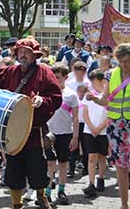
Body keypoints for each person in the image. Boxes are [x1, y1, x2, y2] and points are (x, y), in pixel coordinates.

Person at [0, 38, 62, 209]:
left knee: (37, 168)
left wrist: (42, 100)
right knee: (14, 169)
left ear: (34, 55)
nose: (23, 55)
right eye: (20, 52)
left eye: (27, 52)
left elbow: (56, 98)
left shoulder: (45, 72)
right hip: (12, 132)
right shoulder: (10, 71)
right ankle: (16, 204)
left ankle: (42, 197)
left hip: (34, 131)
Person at [86, 43, 130, 209]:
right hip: (116, 126)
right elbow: (106, 99)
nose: (124, 64)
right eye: (121, 61)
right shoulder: (112, 74)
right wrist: (94, 99)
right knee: (121, 165)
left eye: (127, 61)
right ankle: (124, 204)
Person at [45, 63, 79, 205]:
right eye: (53, 77)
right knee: (50, 163)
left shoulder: (71, 95)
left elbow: (76, 118)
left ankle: (61, 190)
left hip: (65, 133)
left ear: (66, 77)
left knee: (63, 163)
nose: (55, 80)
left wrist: (75, 137)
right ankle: (46, 193)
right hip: (48, 134)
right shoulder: (47, 92)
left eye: (58, 77)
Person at [82, 69, 108, 197]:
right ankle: (91, 183)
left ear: (103, 81)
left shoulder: (107, 97)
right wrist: (92, 127)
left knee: (102, 157)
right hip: (89, 131)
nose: (93, 85)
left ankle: (101, 178)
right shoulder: (88, 95)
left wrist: (99, 128)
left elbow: (110, 116)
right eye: (91, 82)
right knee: (92, 157)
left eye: (95, 82)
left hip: (103, 132)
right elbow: (85, 113)